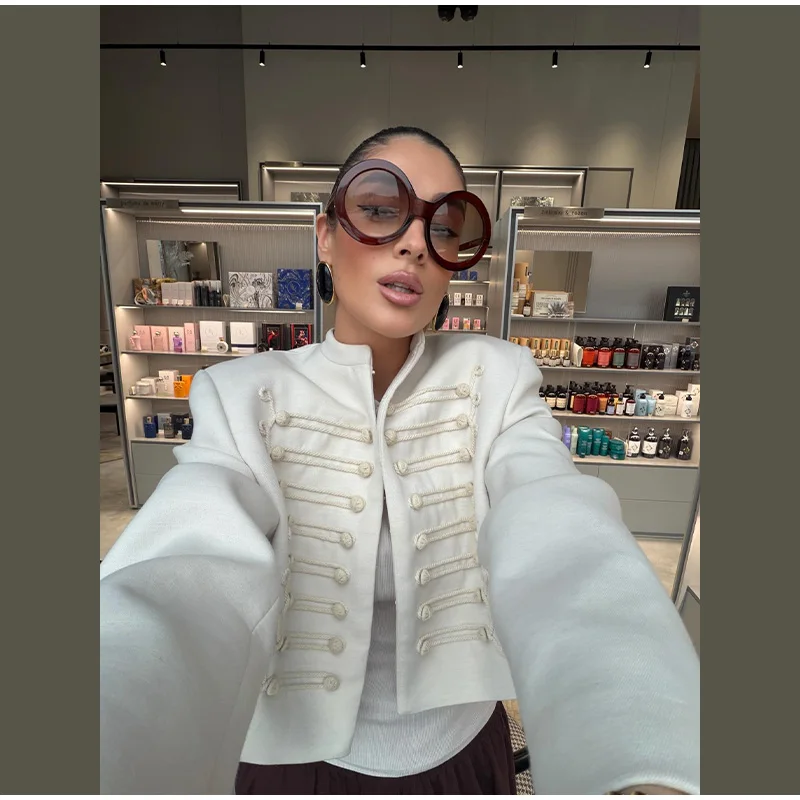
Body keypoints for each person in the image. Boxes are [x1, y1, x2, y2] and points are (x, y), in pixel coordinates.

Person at [100, 126, 699, 795]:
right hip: (288, 766)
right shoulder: (242, 395)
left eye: (444, 228)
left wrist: (645, 757)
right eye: (381, 210)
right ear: (326, 236)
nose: (414, 242)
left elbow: (559, 531)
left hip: (461, 757)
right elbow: (186, 565)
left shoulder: (498, 379)